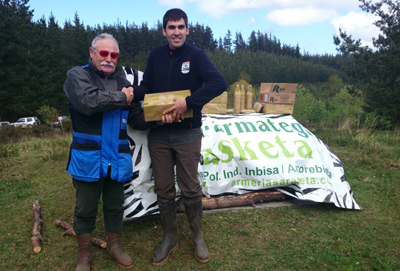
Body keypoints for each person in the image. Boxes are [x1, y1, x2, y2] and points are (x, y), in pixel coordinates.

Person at [131, 8, 227, 266]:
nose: (176, 32)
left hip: (187, 133)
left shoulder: (196, 56)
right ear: (164, 31)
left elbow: (218, 82)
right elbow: (147, 87)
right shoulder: (156, 55)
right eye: (171, 27)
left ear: (187, 29)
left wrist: (188, 103)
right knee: (163, 189)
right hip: (159, 135)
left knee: (190, 187)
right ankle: (170, 237)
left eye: (180, 27)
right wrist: (130, 92)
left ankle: (197, 238)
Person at [63, 33, 135, 270]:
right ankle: (84, 255)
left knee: (115, 205)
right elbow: (87, 101)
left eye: (113, 55)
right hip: (88, 159)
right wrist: (122, 97)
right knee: (85, 208)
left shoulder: (123, 81)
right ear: (92, 52)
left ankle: (114, 246)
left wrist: (160, 117)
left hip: (117, 158)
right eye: (103, 53)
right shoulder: (77, 75)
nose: (108, 59)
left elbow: (135, 117)